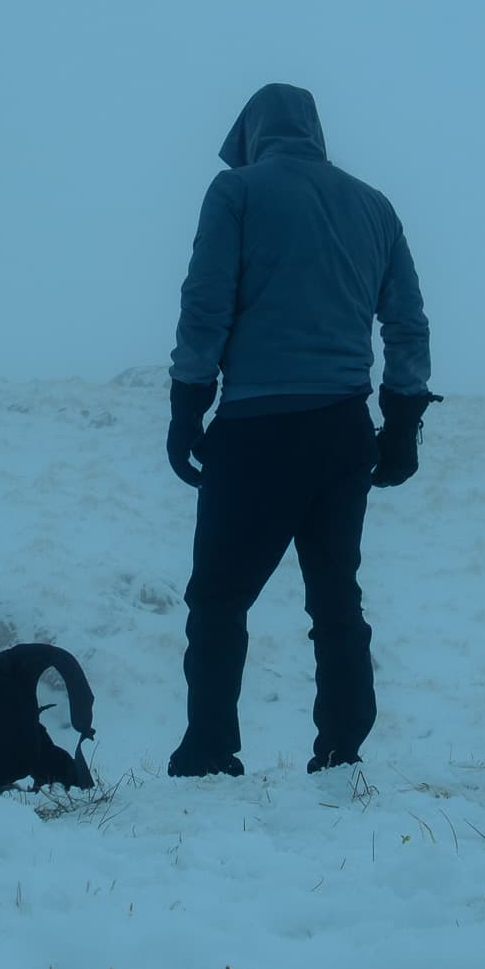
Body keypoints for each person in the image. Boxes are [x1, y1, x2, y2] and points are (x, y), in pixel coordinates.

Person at [165, 83, 439, 778]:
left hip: (255, 432)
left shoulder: (238, 194)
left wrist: (186, 406)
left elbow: (205, 305)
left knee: (219, 601)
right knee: (335, 598)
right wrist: (401, 423)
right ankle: (342, 752)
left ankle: (208, 755)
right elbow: (406, 322)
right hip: (344, 430)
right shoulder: (374, 205)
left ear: (252, 133)